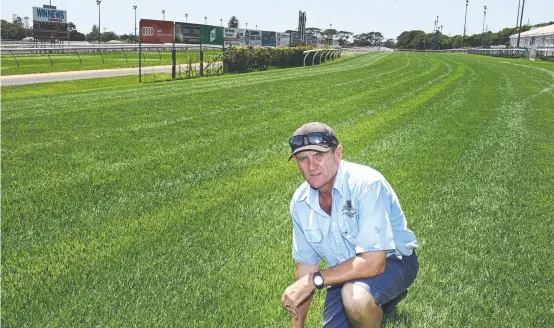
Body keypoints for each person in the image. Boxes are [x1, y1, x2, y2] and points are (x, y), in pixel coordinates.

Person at [281, 122, 419, 328]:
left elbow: (374, 263)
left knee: (355, 299)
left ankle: (380, 297)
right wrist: (297, 325)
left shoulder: (367, 184)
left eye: (319, 155)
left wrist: (315, 280)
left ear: (338, 154)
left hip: (394, 261)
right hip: (346, 272)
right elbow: (306, 268)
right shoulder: (301, 202)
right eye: (303, 159)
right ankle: (384, 302)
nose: (311, 166)